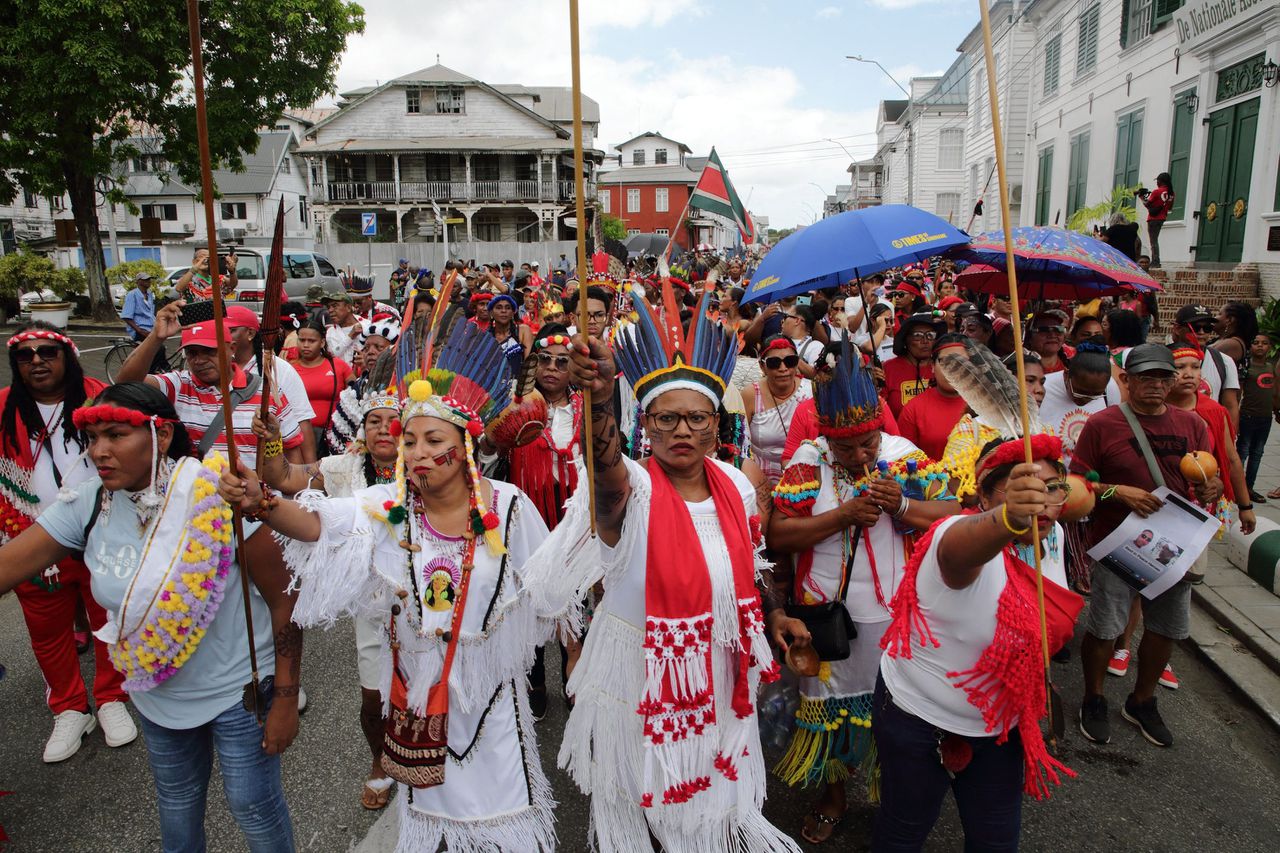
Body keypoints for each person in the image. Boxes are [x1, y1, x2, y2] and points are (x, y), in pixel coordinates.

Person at [219, 322, 556, 852]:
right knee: (430, 825)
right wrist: (260, 501)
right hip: (418, 693)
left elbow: (548, 586)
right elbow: (317, 524)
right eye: (409, 440)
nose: (418, 452)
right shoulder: (388, 508)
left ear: (464, 445)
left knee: (504, 823)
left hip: (492, 697)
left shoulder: (509, 506)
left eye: (434, 440)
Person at [533, 283, 799, 852]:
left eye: (697, 419)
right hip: (641, 672)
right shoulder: (631, 489)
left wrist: (773, 614)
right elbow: (605, 475)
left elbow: (750, 561)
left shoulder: (733, 482)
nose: (683, 431)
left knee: (712, 811)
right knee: (647, 806)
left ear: (716, 425)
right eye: (667, 420)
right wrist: (601, 399)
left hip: (721, 667)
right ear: (647, 425)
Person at [0, 382, 300, 850]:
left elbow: (284, 601)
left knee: (252, 806)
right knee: (177, 807)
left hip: (239, 691)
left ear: (160, 434)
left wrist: (285, 696)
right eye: (92, 438)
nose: (100, 451)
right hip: (156, 692)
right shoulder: (87, 502)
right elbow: (8, 566)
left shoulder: (220, 493)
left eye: (116, 435)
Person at [768, 338, 956, 844]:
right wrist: (842, 515)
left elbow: (953, 515)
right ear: (826, 438)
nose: (858, 454)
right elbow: (778, 534)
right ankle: (832, 796)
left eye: (867, 442)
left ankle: (889, 793)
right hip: (826, 614)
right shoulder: (809, 461)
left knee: (894, 715)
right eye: (845, 448)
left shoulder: (904, 457)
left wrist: (901, 507)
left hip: (894, 614)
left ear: (879, 427)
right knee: (827, 712)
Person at [876, 424, 1083, 850]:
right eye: (1021, 490)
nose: (1040, 501)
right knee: (905, 827)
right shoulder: (954, 537)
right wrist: (1008, 519)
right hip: (919, 720)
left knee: (996, 839)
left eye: (1051, 488)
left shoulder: (1053, 536)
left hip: (1001, 728)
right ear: (985, 498)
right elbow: (960, 551)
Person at [251, 390, 401, 810]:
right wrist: (274, 440)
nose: (381, 428)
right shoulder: (341, 467)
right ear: (362, 429)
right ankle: (379, 761)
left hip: (424, 598)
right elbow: (281, 477)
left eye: (391, 420)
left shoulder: (423, 466)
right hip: (370, 603)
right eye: (373, 420)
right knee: (373, 695)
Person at [1072, 344, 1223, 748]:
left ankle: (1142, 700)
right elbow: (1079, 486)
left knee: (1167, 628)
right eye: (1146, 378)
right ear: (1127, 380)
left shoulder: (1191, 425)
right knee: (1105, 626)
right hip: (1118, 543)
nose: (1156, 385)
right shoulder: (1102, 424)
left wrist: (1214, 486)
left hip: (1174, 543)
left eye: (1163, 378)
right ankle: (1094, 697)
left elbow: (1209, 475)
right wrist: (1116, 492)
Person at [1, 324, 136, 762]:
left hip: (102, 529)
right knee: (47, 633)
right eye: (25, 355)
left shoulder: (98, 397)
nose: (36, 361)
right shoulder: (3, 408)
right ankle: (69, 707)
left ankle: (113, 698)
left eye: (46, 352)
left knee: (108, 619)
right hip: (32, 536)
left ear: (67, 356)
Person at [114, 301, 305, 468]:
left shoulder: (267, 393)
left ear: (231, 349)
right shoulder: (178, 386)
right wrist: (156, 336)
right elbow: (126, 385)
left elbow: (292, 449)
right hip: (195, 504)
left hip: (253, 504)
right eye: (192, 353)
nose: (199, 360)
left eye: (208, 352)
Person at [225, 306, 317, 463]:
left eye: (231, 330)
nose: (224, 336)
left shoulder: (278, 369)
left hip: (268, 472)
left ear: (250, 333)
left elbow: (302, 422)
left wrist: (309, 477)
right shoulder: (214, 371)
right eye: (221, 331)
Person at [743, 336, 813, 484]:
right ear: (763, 367)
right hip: (760, 477)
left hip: (807, 475)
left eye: (790, 361)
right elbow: (741, 443)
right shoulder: (750, 395)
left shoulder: (812, 391)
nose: (783, 368)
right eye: (774, 363)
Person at [898, 333, 972, 460]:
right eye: (945, 362)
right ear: (932, 366)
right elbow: (904, 461)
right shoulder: (913, 410)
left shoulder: (990, 404)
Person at [1170, 304, 1240, 426]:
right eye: (1195, 327)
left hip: (1211, 435)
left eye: (1207, 328)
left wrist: (1230, 439)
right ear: (1177, 329)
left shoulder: (1224, 362)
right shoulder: (1164, 358)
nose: (1201, 332)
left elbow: (1230, 405)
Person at [287, 317, 353, 437]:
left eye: (311, 341)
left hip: (335, 434)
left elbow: (355, 395)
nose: (306, 345)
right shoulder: (289, 369)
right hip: (299, 436)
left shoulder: (338, 366)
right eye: (302, 340)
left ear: (322, 342)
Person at [881, 311, 945, 419]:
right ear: (906, 340)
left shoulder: (943, 367)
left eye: (931, 335)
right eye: (917, 335)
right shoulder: (888, 369)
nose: (925, 341)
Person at [1237, 333, 1275, 504]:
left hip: (1265, 418)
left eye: (1264, 343)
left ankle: (1249, 487)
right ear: (1250, 346)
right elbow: (1238, 393)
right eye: (1256, 343)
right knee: (1242, 452)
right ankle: (1236, 487)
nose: (1260, 346)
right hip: (1247, 416)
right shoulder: (1246, 367)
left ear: (1270, 347)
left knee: (1257, 453)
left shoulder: (1271, 367)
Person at [1140, 173, 1174, 268]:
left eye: (1157, 181)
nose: (1157, 183)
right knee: (1155, 240)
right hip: (1162, 218)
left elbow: (1147, 205)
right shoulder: (1171, 193)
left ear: (1161, 181)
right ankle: (1156, 260)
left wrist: (1142, 198)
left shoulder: (1156, 192)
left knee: (1153, 241)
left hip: (1153, 219)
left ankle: (1155, 261)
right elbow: (1170, 207)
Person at [1026, 309, 1072, 374]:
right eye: (1044, 330)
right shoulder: (1018, 368)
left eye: (1058, 329)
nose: (1052, 335)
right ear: (1030, 338)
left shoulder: (1073, 368)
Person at [322, 291, 362, 364]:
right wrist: (350, 336)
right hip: (341, 374)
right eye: (328, 307)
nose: (330, 310)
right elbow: (332, 355)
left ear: (348, 307)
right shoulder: (331, 332)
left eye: (335, 306)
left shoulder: (367, 325)